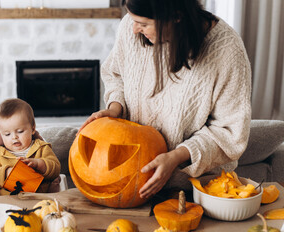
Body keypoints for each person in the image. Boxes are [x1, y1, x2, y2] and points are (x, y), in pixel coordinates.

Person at [79, 0, 252, 200]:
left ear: (176, 16)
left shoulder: (227, 51)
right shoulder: (130, 26)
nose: (134, 29)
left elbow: (230, 133)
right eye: (134, 21)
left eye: (143, 24)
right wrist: (115, 108)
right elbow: (115, 74)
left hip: (192, 191)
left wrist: (176, 157)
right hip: (132, 185)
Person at [0, 98, 61, 195]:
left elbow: (56, 169)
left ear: (32, 128)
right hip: (5, 203)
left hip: (39, 201)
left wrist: (39, 164)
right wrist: (5, 173)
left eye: (20, 131)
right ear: (0, 135)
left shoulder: (41, 148)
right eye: (7, 134)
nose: (14, 137)